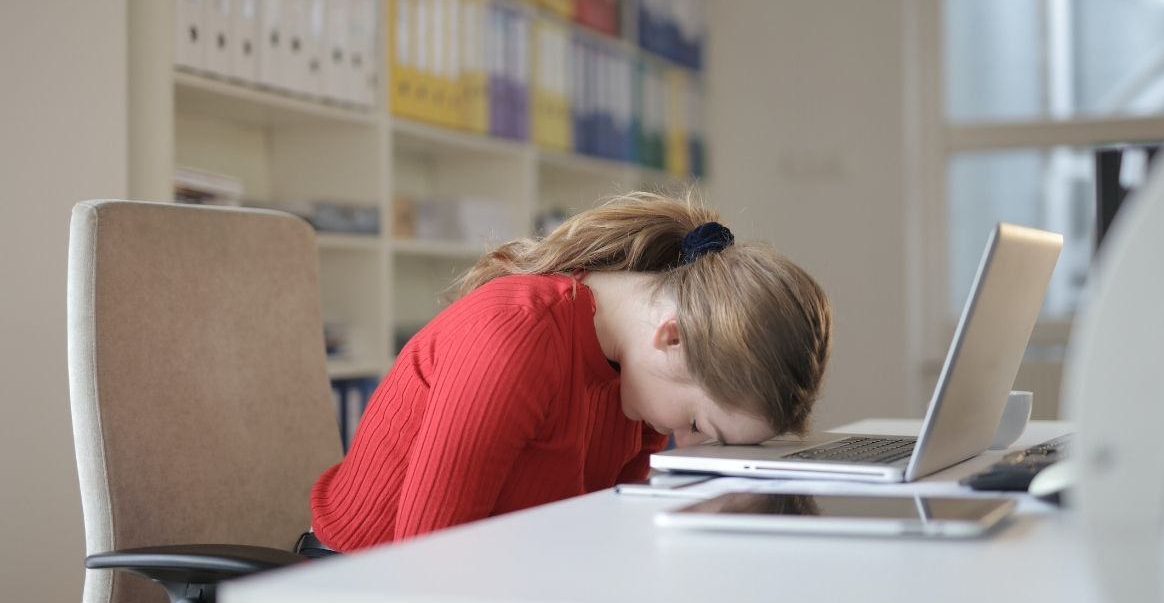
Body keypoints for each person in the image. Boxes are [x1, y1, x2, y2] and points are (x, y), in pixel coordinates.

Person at [308, 190, 832, 552]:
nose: (687, 445)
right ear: (672, 338)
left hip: (502, 579)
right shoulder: (515, 336)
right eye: (699, 426)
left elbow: (598, 532)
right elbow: (427, 567)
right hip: (357, 589)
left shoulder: (639, 378)